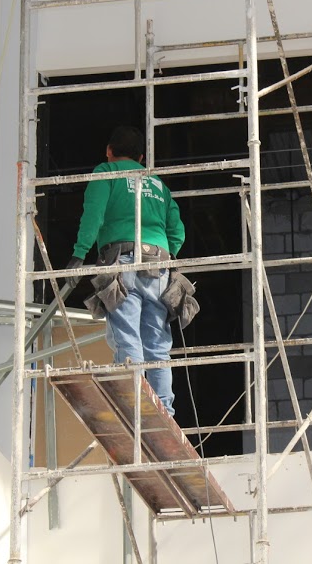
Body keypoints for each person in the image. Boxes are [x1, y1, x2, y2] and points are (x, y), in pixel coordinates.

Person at [67, 126, 185, 416]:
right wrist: (167, 256)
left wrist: (78, 255)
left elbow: (93, 215)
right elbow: (177, 231)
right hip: (158, 265)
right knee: (157, 344)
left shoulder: (106, 172)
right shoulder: (158, 184)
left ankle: (136, 407)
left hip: (122, 261)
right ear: (141, 157)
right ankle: (164, 412)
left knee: (127, 335)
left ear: (109, 150)